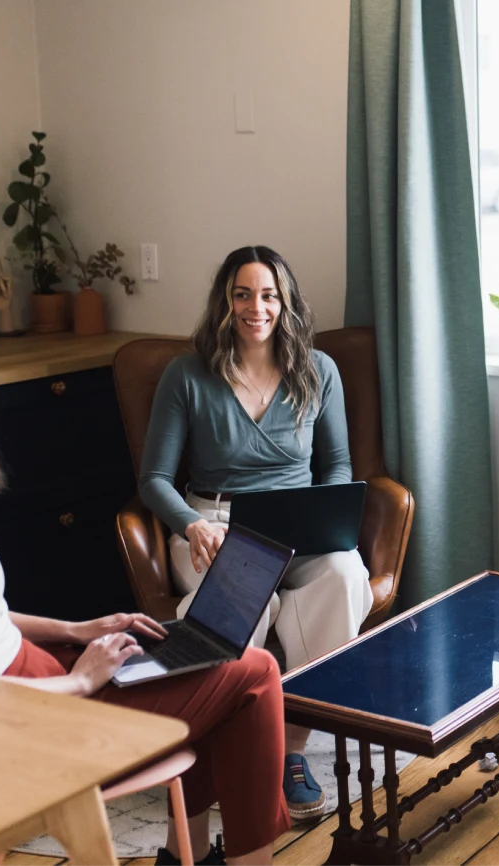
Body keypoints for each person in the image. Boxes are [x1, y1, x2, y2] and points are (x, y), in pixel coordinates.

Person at [0, 299, 288, 866]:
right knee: (253, 673)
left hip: (22, 679)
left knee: (190, 654)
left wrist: (74, 629)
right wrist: (80, 684)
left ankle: (186, 856)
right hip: (29, 723)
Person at [138, 245, 370, 820]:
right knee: (242, 596)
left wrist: (325, 514)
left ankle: (291, 751)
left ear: (285, 302)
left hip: (299, 524)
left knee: (344, 576)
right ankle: (222, 743)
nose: (255, 307)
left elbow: (337, 462)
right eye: (243, 293)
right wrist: (190, 525)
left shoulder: (319, 370)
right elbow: (155, 479)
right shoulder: (187, 374)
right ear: (226, 301)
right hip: (215, 525)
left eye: (268, 294)